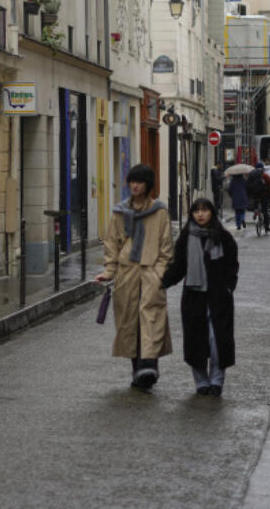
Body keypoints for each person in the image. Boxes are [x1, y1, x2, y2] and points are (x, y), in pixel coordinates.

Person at [94, 164, 173, 391]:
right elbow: (112, 243)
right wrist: (109, 271)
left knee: (152, 319)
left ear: (148, 185)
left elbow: (166, 246)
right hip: (126, 271)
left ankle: (149, 365)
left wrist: (159, 272)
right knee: (129, 321)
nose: (135, 185)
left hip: (151, 271)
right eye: (132, 181)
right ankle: (137, 369)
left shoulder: (159, 211)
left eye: (139, 182)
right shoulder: (120, 212)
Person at [162, 198, 239, 396]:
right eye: (196, 211)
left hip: (219, 298)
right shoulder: (187, 237)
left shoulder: (223, 237)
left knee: (217, 342)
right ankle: (201, 381)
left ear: (211, 213)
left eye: (204, 210)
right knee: (196, 341)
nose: (200, 215)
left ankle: (217, 381)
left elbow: (232, 266)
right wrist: (161, 283)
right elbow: (178, 266)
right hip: (194, 298)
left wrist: (229, 287)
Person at [249, 162, 270, 233]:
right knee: (265, 211)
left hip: (255, 195)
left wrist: (250, 194)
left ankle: (256, 212)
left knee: (256, 206)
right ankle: (267, 227)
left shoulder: (251, 175)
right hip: (264, 195)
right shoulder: (265, 176)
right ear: (262, 168)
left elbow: (248, 185)